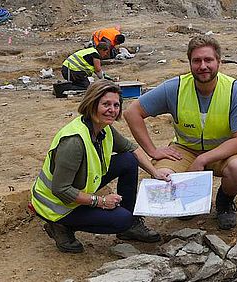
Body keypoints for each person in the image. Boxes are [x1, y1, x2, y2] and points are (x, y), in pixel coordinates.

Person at [124, 35, 237, 230]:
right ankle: (189, 201)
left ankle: (225, 201)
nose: (203, 66)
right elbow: (132, 112)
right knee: (162, 176)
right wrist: (152, 151)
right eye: (197, 61)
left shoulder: (233, 90)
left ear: (219, 62)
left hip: (224, 153)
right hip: (185, 150)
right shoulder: (175, 88)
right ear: (190, 63)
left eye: (208, 60)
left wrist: (203, 159)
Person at [31, 80, 168, 253]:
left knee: (128, 160)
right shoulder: (74, 142)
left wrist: (155, 173)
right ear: (92, 104)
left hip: (76, 189)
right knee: (122, 220)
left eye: (116, 105)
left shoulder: (103, 128)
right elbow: (61, 189)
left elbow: (132, 149)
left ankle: (130, 226)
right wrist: (100, 201)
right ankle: (61, 225)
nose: (112, 110)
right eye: (106, 104)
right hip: (56, 205)